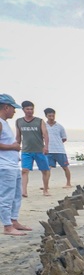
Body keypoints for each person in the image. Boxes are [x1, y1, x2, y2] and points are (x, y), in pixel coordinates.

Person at [0, 93, 30, 236]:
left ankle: (13, 220)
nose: (14, 111)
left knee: (16, 195)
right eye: (13, 108)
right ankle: (7, 226)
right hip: (4, 166)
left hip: (12, 165)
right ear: (6, 107)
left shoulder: (5, 123)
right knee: (6, 196)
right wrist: (12, 147)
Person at [15, 100, 49, 197]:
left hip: (39, 150)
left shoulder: (39, 121)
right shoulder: (19, 121)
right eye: (27, 109)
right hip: (26, 151)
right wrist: (16, 149)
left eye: (31, 109)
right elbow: (18, 136)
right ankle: (24, 191)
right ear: (23, 110)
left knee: (44, 170)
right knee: (25, 170)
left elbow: (45, 134)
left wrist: (46, 146)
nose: (30, 111)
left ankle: (45, 189)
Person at [44, 108, 73, 188]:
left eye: (53, 115)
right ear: (46, 116)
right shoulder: (44, 126)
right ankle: (46, 185)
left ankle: (68, 183)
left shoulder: (60, 127)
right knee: (48, 168)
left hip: (60, 150)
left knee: (65, 167)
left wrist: (58, 143)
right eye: (49, 116)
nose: (51, 117)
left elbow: (64, 138)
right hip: (49, 150)